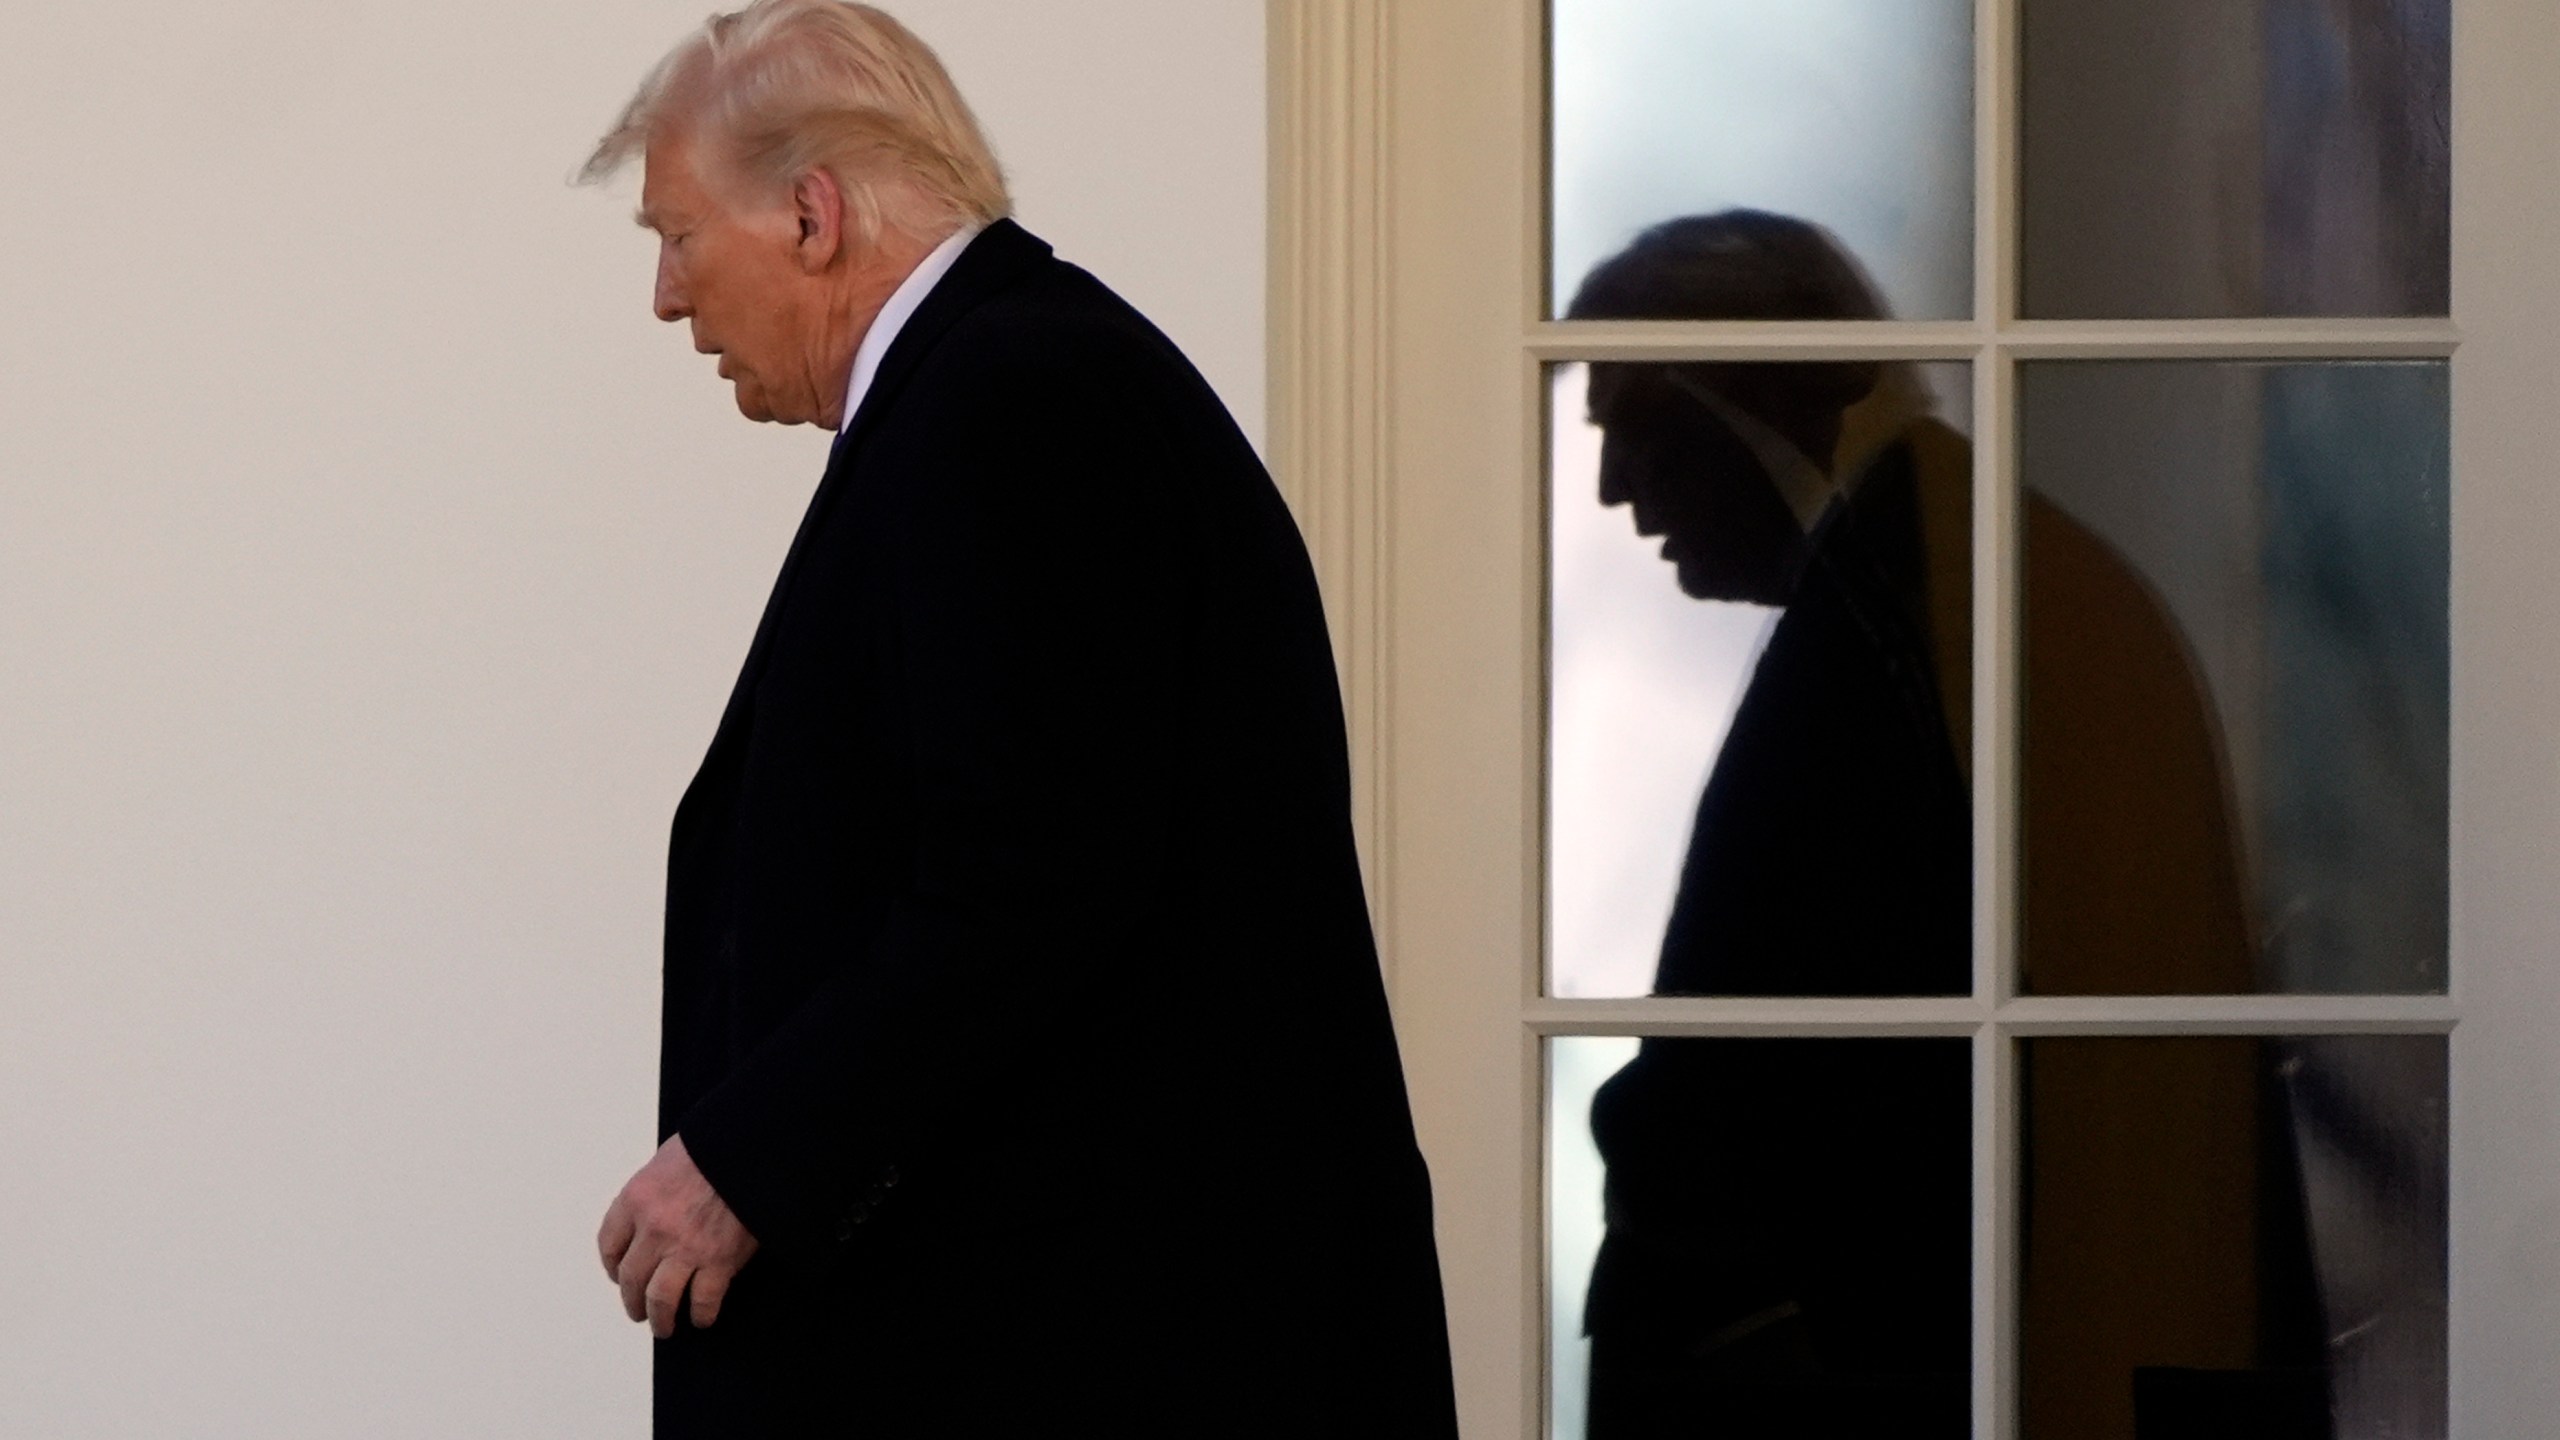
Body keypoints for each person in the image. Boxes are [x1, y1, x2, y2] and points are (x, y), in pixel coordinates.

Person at [576, 5, 1459, 1434]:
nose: (670, 300)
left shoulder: (1015, 398)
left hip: (1099, 1351)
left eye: (676, 236)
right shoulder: (1014, 380)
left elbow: (1031, 878)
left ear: (812, 215)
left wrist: (750, 1158)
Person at [1567, 212, 2329, 1440]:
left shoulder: (1903, 627)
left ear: (1782, 391)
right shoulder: (1968, 588)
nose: (1614, 489)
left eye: (1641, 428)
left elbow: (1819, 1107)